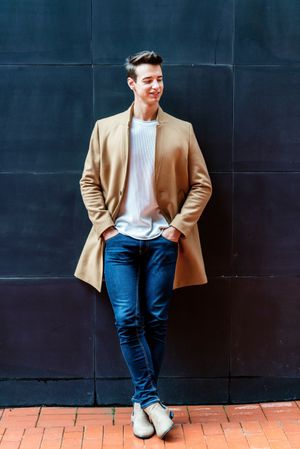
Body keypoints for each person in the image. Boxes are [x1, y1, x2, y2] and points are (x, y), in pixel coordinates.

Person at [74, 50, 212, 439]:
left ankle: (139, 404)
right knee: (127, 320)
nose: (156, 85)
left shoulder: (181, 130)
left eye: (160, 79)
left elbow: (202, 185)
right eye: (148, 79)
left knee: (155, 321)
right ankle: (151, 401)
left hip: (161, 241)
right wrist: (106, 228)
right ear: (131, 84)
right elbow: (89, 182)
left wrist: (176, 230)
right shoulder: (106, 129)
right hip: (118, 241)